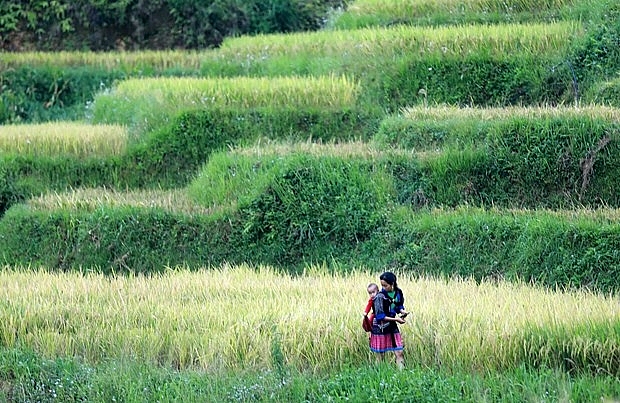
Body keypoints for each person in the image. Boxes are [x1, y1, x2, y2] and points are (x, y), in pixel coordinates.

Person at [369, 271, 409, 369]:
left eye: (385, 285)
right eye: (382, 285)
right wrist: (397, 319)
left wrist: (402, 311)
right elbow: (380, 316)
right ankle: (378, 375)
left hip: (392, 326)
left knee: (399, 352)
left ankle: (402, 376)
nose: (383, 288)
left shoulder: (398, 293)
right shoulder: (379, 297)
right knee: (380, 355)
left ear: (392, 284)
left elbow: (398, 305)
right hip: (380, 327)